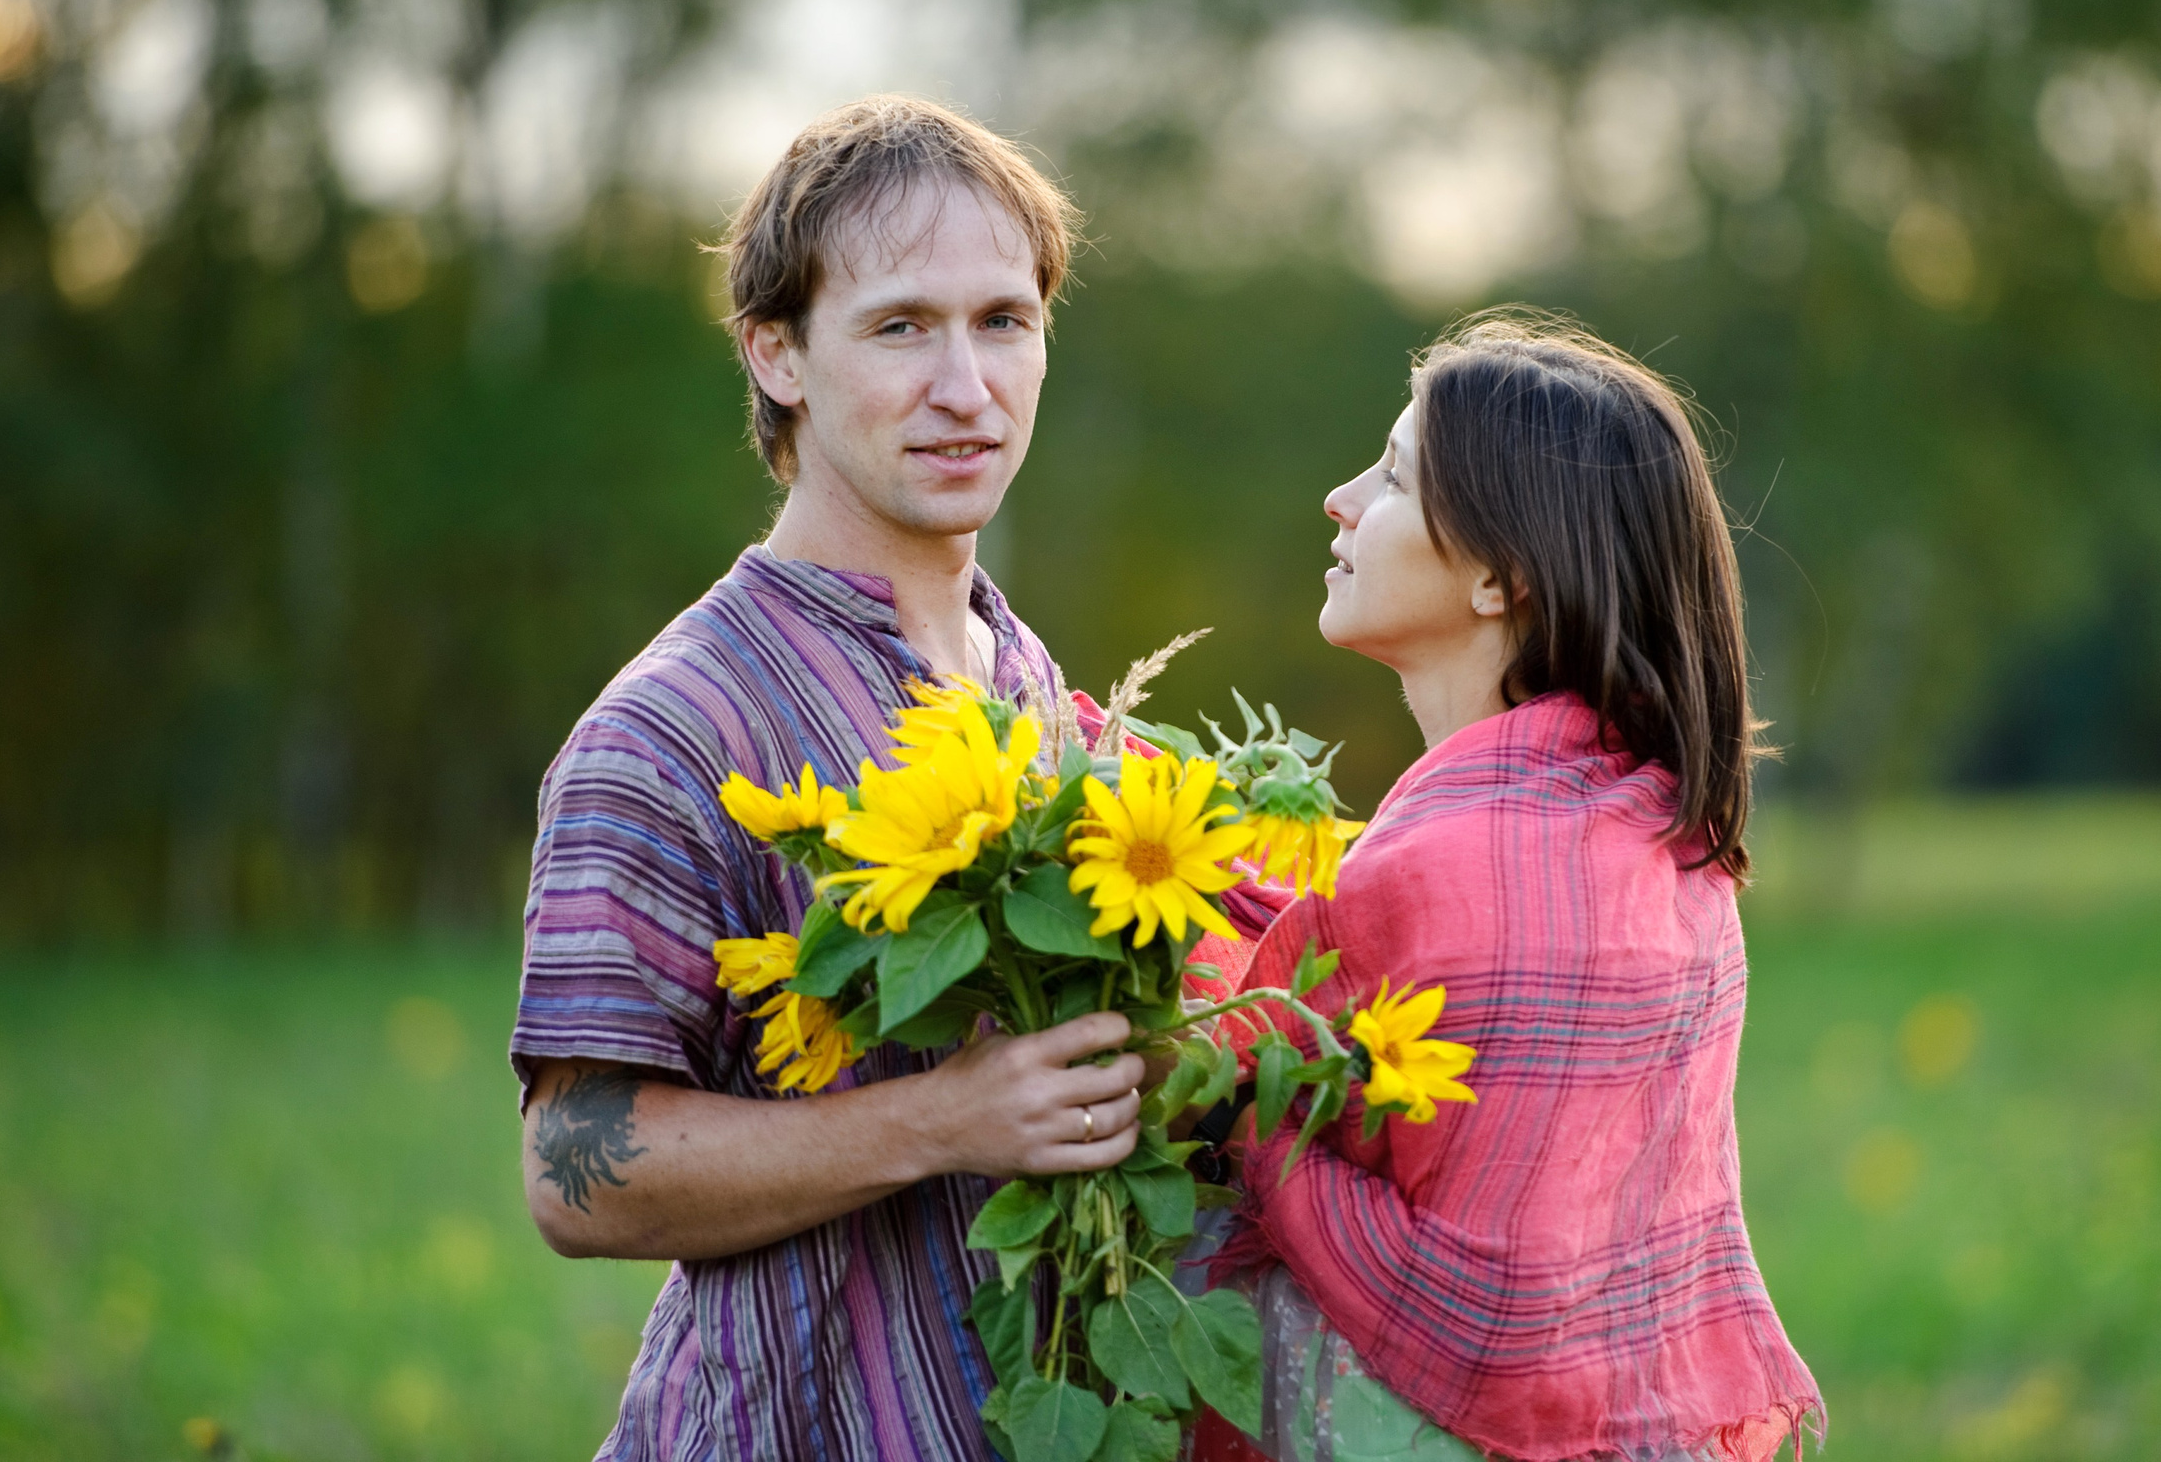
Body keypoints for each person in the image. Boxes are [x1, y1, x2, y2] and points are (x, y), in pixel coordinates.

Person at [508, 96, 1151, 1462]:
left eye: (1004, 322)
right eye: (902, 326)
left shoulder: (1023, 674)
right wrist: (948, 1120)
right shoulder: (676, 725)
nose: (967, 386)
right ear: (777, 354)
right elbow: (575, 1177)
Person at [1199, 315, 1824, 1462]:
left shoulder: (1441, 875)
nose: (1338, 501)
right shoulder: (1658, 839)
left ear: (1498, 576)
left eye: (1388, 476)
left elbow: (1484, 1311)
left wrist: (1224, 1094)